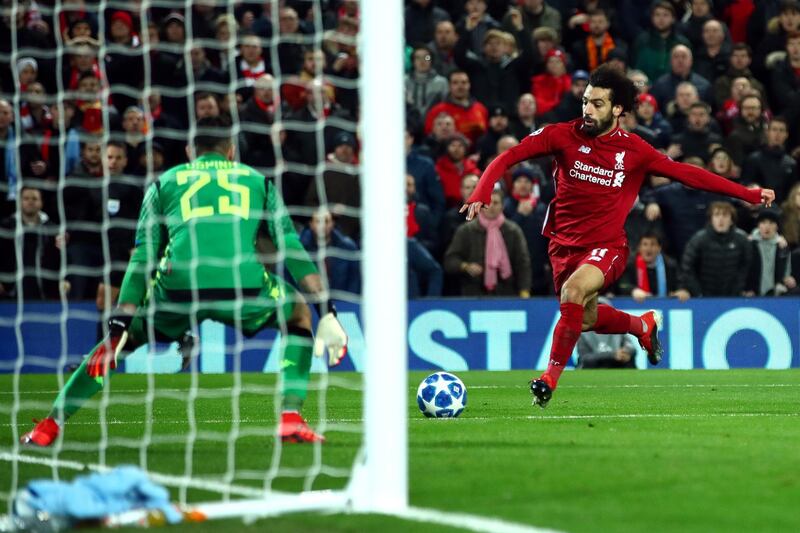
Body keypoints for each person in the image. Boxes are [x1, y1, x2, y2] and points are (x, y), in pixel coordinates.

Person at [21, 117, 348, 447]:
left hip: (176, 289)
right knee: (298, 314)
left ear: (191, 151)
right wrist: (327, 310)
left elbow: (144, 255)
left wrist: (121, 320)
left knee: (118, 344)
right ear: (231, 151)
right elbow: (290, 245)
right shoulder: (257, 181)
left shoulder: (165, 182)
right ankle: (290, 417)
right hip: (242, 284)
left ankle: (50, 424)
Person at [460, 65, 774, 408]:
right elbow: (509, 156)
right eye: (585, 102)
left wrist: (748, 194)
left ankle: (548, 379)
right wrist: (482, 189)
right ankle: (641, 325)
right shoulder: (561, 135)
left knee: (573, 292)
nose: (587, 110)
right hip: (562, 245)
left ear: (618, 109)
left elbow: (690, 175)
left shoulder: (636, 151)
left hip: (606, 247)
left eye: (597, 104)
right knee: (587, 318)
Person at [445, 188, 531, 297]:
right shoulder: (466, 230)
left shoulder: (513, 231)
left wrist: (524, 291)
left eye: (495, 203)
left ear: (502, 206)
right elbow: (450, 260)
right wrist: (465, 266)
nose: (491, 207)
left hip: (507, 294)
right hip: (473, 294)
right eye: (487, 203)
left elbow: (523, 264)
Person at [678, 202, 753, 297]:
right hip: (703, 297)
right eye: (717, 215)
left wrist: (738, 290)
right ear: (711, 219)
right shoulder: (698, 240)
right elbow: (687, 267)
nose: (720, 219)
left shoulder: (742, 240)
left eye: (725, 215)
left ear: (731, 220)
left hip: (733, 297)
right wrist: (697, 292)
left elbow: (746, 268)